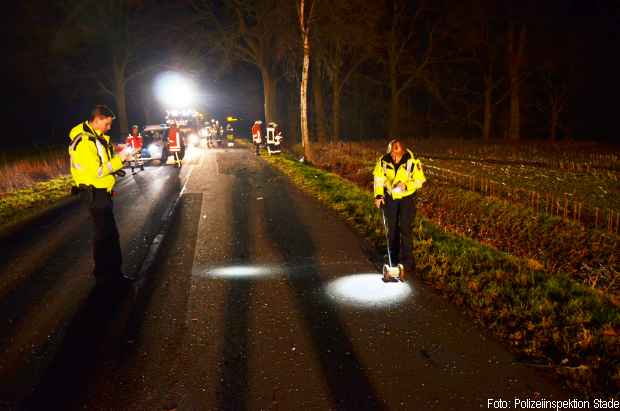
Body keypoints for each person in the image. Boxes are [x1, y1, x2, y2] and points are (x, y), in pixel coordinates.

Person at [68, 105, 134, 286]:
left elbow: (102, 161)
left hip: (100, 194)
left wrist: (116, 152)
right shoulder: (85, 142)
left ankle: (106, 276)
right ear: (97, 120)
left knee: (105, 237)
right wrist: (120, 159)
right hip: (96, 195)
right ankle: (111, 279)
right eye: (107, 123)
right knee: (107, 238)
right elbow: (97, 172)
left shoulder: (95, 138)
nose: (109, 127)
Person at [373, 139, 426, 277]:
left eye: (397, 154)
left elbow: (419, 181)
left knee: (405, 227)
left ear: (402, 152)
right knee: (392, 229)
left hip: (407, 198)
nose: (394, 157)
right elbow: (378, 179)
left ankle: (408, 263)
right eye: (392, 154)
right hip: (390, 197)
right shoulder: (383, 161)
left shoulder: (412, 162)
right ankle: (393, 261)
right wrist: (378, 196)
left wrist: (406, 186)